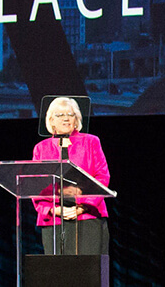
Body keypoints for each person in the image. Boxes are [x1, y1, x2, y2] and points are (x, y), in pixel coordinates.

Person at [32, 97, 111, 256]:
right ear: (51, 120)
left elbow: (102, 177)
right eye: (60, 115)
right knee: (58, 270)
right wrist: (53, 209)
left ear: (77, 120)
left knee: (88, 269)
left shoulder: (91, 142)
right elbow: (34, 184)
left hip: (88, 216)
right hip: (54, 219)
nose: (66, 118)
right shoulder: (41, 148)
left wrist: (82, 207)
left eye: (70, 114)